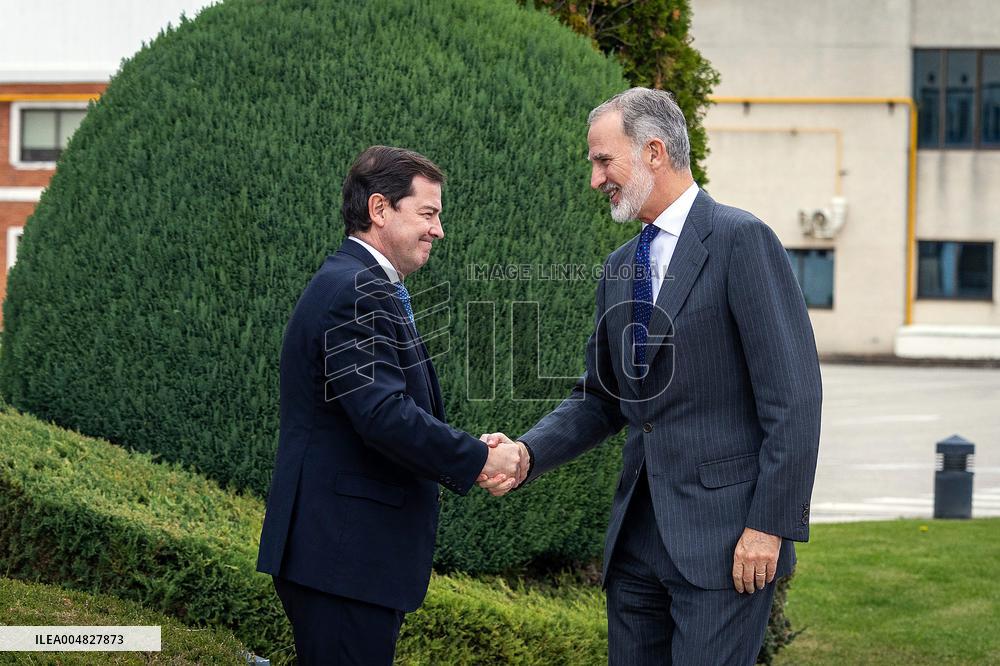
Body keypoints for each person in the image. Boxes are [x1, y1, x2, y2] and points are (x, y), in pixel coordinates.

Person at [480, 88, 822, 665]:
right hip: (637, 543)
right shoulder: (620, 267)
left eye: (603, 160)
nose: (595, 179)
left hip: (727, 544)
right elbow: (601, 397)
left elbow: (794, 398)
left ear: (655, 151)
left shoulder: (742, 241)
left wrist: (769, 526)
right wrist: (527, 454)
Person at [257, 145, 526, 665]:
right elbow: (382, 416)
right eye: (428, 213)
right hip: (343, 559)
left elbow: (386, 408)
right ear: (379, 210)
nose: (439, 230)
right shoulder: (357, 289)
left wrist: (469, 450)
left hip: (344, 559)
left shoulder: (363, 285)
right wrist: (477, 457)